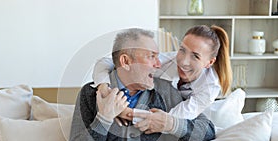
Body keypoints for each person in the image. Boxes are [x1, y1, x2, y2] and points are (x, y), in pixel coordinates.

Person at [67, 28, 215, 141]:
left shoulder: (165, 92)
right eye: (151, 56)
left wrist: (170, 123)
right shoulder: (90, 94)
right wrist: (104, 119)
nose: (159, 64)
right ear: (126, 61)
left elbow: (207, 131)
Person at [92, 25, 232, 126]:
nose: (183, 61)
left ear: (209, 63)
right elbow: (105, 62)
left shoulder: (210, 87)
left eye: (195, 56)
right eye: (182, 50)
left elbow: (166, 120)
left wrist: (124, 112)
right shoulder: (165, 62)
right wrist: (104, 89)